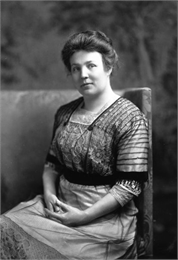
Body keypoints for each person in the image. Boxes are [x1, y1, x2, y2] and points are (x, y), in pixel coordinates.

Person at [0, 30, 149, 259]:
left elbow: (129, 184)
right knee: (4, 227)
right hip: (59, 206)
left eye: (91, 66)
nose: (83, 75)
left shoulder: (130, 117)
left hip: (105, 219)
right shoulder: (65, 113)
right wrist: (49, 195)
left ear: (108, 67)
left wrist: (84, 216)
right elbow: (52, 165)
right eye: (76, 68)